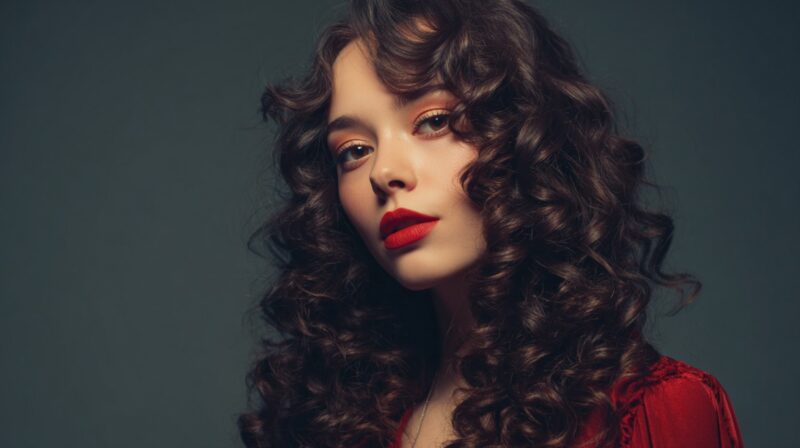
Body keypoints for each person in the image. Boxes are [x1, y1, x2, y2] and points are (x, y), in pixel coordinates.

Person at [238, 0, 745, 446]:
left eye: (434, 121)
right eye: (354, 150)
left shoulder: (656, 411)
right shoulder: (335, 422)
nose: (384, 172)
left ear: (526, 138)